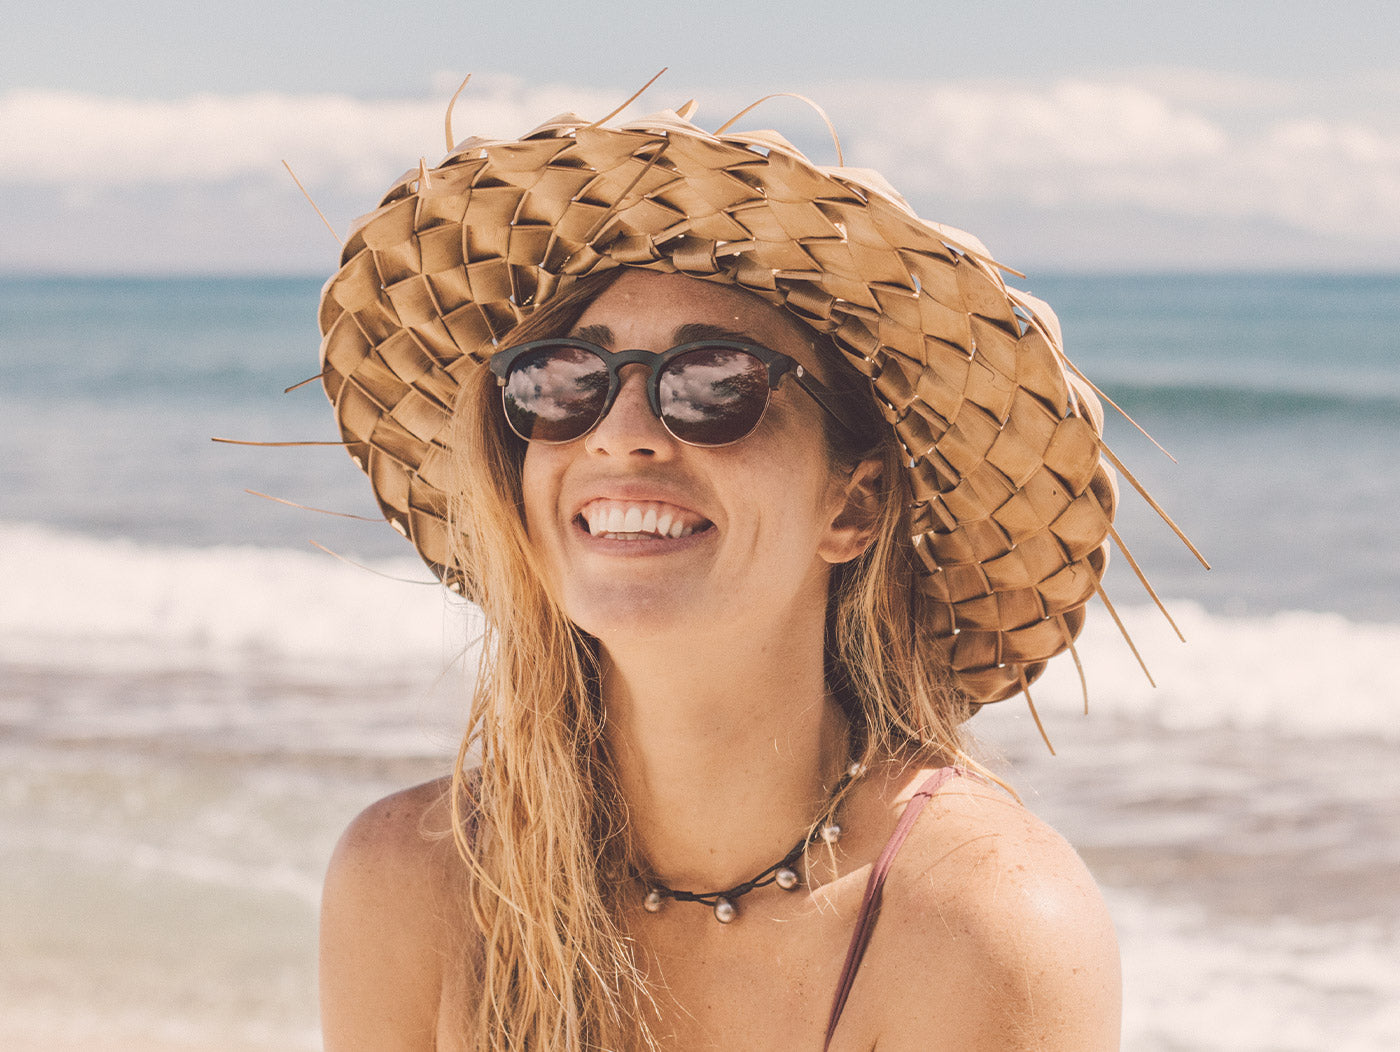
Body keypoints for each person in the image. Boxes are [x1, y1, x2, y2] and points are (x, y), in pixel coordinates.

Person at [313, 91, 1129, 1050]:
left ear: (853, 506)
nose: (619, 435)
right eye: (565, 383)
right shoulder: (414, 879)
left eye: (714, 385)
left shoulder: (978, 922)